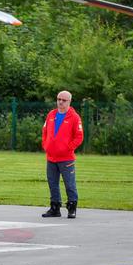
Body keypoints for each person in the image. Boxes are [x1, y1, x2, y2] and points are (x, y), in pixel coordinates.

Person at [41, 91, 84, 219]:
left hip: (66, 158)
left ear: (69, 102)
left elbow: (79, 137)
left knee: (69, 184)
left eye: (64, 100)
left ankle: (72, 207)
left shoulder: (74, 117)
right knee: (52, 183)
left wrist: (67, 148)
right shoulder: (51, 114)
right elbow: (44, 131)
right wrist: (46, 145)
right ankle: (55, 208)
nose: (60, 102)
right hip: (51, 157)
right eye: (59, 99)